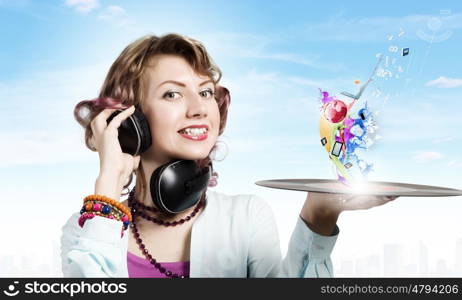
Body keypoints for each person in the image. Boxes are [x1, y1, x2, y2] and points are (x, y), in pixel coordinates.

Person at [60, 33, 396, 278]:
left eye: (205, 91)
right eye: (173, 93)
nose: (199, 108)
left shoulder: (245, 217)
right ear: (132, 121)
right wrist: (107, 185)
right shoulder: (85, 231)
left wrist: (319, 215)